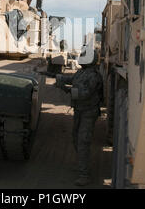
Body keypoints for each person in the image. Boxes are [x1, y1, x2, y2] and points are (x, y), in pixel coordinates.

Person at [56, 48, 103, 186]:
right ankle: (83, 165)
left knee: (83, 141)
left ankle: (84, 175)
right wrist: (58, 77)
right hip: (80, 111)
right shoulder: (82, 72)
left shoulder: (94, 76)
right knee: (76, 139)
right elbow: (72, 79)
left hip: (89, 112)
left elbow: (84, 93)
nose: (80, 58)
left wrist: (65, 88)